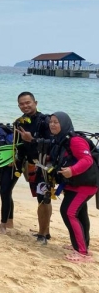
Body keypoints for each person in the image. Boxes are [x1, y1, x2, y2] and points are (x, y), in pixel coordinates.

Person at [50, 112, 99, 263]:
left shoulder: (75, 140)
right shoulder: (61, 140)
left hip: (86, 183)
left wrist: (72, 171)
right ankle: (81, 246)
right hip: (74, 183)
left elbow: (87, 160)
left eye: (56, 122)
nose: (52, 124)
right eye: (51, 122)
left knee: (69, 212)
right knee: (79, 213)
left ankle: (82, 252)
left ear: (64, 123)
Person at [13, 91, 53, 245]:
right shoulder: (19, 123)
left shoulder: (45, 121)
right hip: (30, 166)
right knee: (40, 199)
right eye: (22, 104)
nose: (25, 106)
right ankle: (45, 231)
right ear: (18, 106)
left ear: (35, 103)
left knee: (44, 199)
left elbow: (52, 144)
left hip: (45, 165)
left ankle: (42, 235)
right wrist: (16, 163)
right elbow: (19, 147)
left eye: (28, 102)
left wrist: (33, 139)